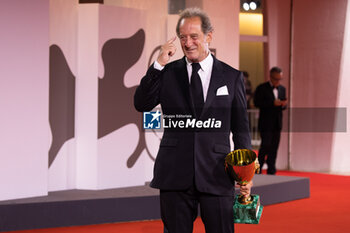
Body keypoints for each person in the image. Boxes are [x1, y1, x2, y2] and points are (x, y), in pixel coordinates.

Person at [134, 8, 252, 233]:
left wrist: (244, 173)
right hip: (174, 174)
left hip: (218, 173)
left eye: (194, 36)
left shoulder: (231, 76)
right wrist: (158, 64)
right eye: (183, 37)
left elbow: (241, 129)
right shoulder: (166, 73)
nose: (188, 43)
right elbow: (141, 103)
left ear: (209, 36)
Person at [253, 67, 287, 175]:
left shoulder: (282, 89)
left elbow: (283, 104)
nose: (278, 81)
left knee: (274, 147)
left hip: (277, 123)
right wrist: (272, 103)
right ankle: (258, 169)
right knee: (265, 146)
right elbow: (257, 103)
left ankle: (271, 170)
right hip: (266, 123)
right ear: (271, 77)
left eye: (280, 79)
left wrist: (283, 105)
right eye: (276, 79)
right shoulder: (262, 88)